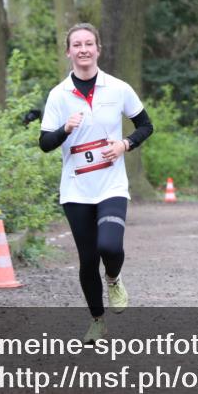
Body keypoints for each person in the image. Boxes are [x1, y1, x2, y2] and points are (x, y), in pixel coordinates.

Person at [38, 23, 153, 344]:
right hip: (75, 189)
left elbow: (146, 125)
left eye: (89, 43)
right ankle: (97, 321)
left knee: (110, 247)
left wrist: (124, 145)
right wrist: (64, 130)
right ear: (68, 52)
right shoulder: (58, 95)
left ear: (98, 49)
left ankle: (113, 279)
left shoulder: (118, 88)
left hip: (111, 185)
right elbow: (45, 143)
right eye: (77, 45)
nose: (83, 49)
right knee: (88, 259)